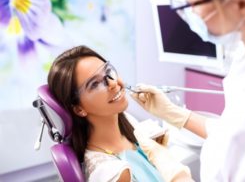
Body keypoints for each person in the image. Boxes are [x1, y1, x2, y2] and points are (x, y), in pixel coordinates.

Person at [131, 0, 245, 181]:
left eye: (191, 2)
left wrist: (173, 172)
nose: (189, 13)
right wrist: (174, 114)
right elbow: (229, 134)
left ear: (242, 4)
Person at [47, 45, 192, 182]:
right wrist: (168, 164)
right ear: (79, 109)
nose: (112, 83)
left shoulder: (128, 121)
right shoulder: (112, 173)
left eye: (108, 72)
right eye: (95, 84)